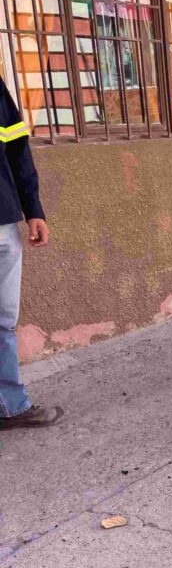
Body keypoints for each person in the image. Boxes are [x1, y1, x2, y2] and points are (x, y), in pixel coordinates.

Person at [0, 76, 61, 430]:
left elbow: (16, 144)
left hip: (3, 220)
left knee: (3, 320)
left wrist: (33, 208)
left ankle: (10, 404)